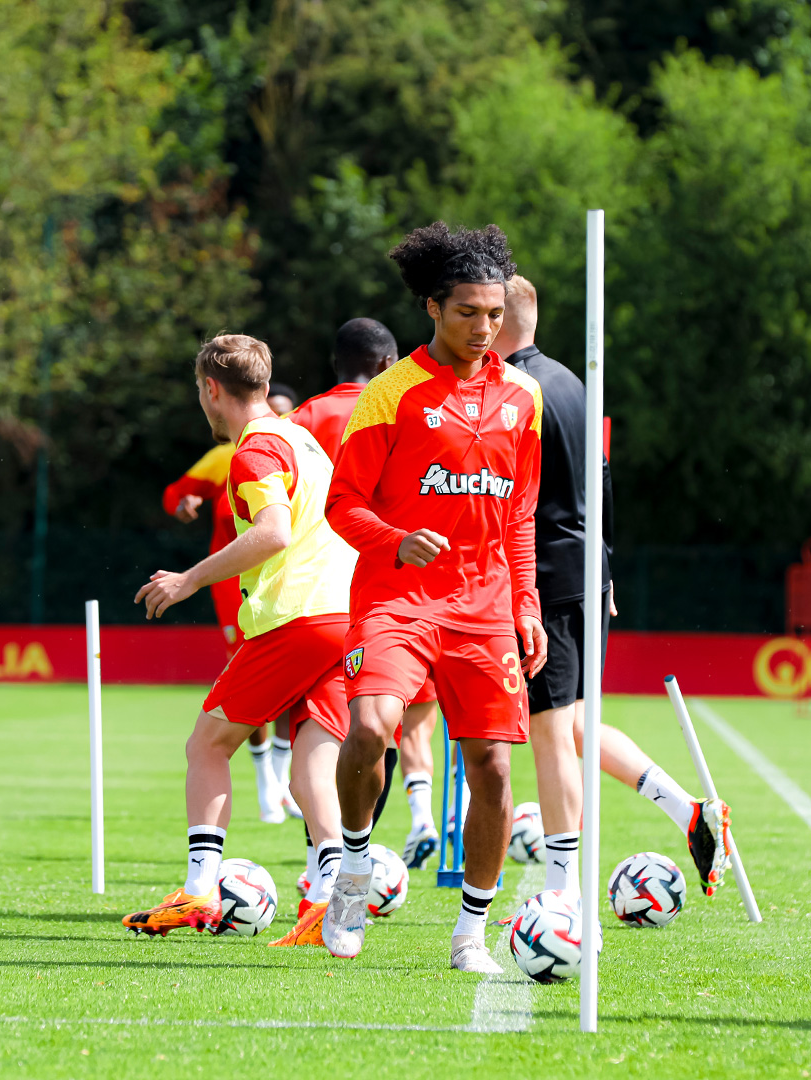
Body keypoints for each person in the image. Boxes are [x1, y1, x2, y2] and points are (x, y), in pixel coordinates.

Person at [321, 222, 547, 972]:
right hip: (398, 598)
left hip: (484, 607)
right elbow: (342, 504)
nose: (484, 329)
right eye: (467, 314)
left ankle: (470, 935)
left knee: (492, 770)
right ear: (431, 308)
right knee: (370, 731)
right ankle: (352, 871)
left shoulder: (524, 398)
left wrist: (526, 605)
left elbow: (518, 515)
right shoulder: (390, 394)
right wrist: (394, 538)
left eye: (493, 315)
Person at [496, 275, 733, 897]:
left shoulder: (516, 392)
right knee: (574, 723)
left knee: (550, 734)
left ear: (499, 320)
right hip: (586, 572)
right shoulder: (575, 383)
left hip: (545, 576)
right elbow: (603, 487)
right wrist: (606, 571)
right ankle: (687, 809)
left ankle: (563, 891)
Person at [121, 335, 356, 946]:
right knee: (309, 771)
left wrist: (189, 579)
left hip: (296, 616)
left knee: (207, 745)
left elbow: (274, 533)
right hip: (344, 614)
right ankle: (328, 902)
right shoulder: (302, 437)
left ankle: (200, 893)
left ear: (211, 389)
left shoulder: (254, 450)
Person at [288, 319, 442, 867]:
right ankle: (351, 857)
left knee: (319, 730)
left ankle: (320, 865)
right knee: (386, 725)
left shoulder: (299, 421)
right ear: (384, 365)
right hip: (394, 592)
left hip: (313, 596)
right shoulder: (403, 406)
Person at [164, 380, 303, 824]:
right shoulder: (228, 455)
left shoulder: (292, 448)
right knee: (249, 686)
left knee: (290, 693)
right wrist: (185, 503)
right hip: (235, 589)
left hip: (292, 589)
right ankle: (267, 782)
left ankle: (280, 781)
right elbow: (174, 494)